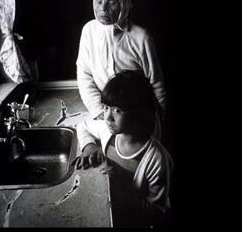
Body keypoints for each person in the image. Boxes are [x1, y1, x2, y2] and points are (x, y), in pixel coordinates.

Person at [72, 70, 173, 228]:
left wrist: (123, 191)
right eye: (106, 108)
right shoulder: (108, 133)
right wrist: (89, 148)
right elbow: (83, 126)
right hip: (108, 210)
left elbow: (157, 211)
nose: (107, 117)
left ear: (138, 113)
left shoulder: (156, 160)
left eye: (117, 110)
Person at [76, 0, 167, 127]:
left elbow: (156, 84)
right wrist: (99, 111)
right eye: (99, 2)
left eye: (111, 2)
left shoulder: (141, 37)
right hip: (104, 115)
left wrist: (157, 124)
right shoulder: (89, 31)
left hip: (137, 115)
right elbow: (84, 74)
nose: (103, 9)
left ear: (123, 5)